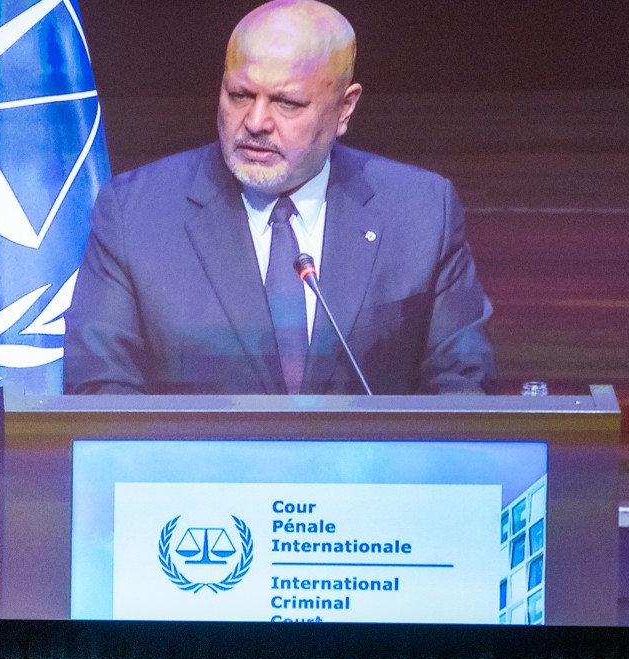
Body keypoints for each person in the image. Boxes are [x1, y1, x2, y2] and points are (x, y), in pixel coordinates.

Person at [63, 0, 492, 395]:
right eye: (239, 95)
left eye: (287, 103)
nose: (255, 121)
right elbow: (100, 389)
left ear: (344, 108)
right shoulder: (136, 213)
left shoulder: (421, 211)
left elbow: (464, 386)